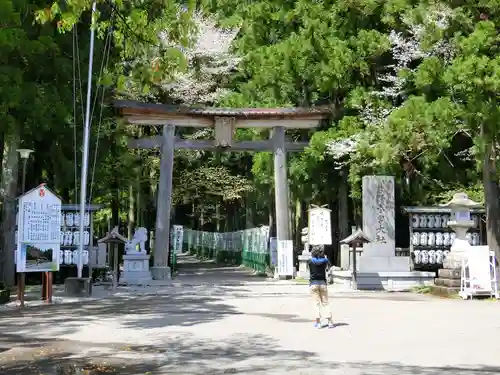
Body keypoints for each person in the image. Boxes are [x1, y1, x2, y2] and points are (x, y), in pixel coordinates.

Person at [308, 247, 334, 328]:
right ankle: (330, 322)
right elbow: (329, 265)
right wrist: (325, 257)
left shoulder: (310, 261)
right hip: (323, 283)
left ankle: (318, 323)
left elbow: (310, 264)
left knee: (316, 304)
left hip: (313, 284)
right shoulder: (325, 261)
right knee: (325, 303)